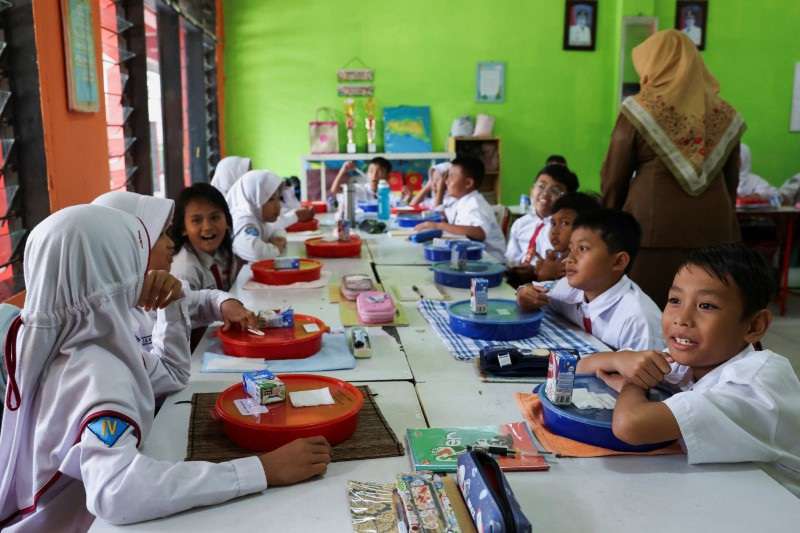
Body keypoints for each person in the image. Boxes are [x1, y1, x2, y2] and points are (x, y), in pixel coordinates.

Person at [0, 205, 332, 531]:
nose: (169, 243)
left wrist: (172, 304)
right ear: (114, 269)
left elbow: (171, 376)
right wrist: (262, 469)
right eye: (134, 252)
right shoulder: (95, 370)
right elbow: (117, 492)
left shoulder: (85, 343)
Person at [578, 244, 800, 496]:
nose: (681, 318)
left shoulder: (755, 382)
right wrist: (623, 360)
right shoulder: (695, 361)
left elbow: (630, 426)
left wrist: (634, 383)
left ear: (754, 325)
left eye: (706, 306)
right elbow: (582, 366)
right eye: (675, 300)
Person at [601, 29, 745, 309]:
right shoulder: (724, 114)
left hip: (652, 232)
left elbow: (614, 178)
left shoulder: (638, 110)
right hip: (716, 230)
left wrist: (609, 226)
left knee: (650, 310)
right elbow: (732, 181)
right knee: (708, 311)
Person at [92, 191, 256, 354]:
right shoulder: (103, 326)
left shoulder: (149, 288)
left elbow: (202, 301)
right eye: (160, 235)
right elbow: (166, 374)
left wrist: (224, 304)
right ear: (128, 245)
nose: (171, 243)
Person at [518, 209, 663, 352]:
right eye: (571, 248)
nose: (569, 259)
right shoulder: (570, 288)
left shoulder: (638, 320)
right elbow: (532, 290)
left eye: (582, 248)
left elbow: (652, 373)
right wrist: (525, 295)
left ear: (618, 261)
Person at [414, 156, 506, 261]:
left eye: (451, 177)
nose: (446, 182)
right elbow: (442, 215)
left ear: (468, 183)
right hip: (472, 258)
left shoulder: (475, 204)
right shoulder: (461, 201)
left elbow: (479, 232)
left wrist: (438, 226)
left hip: (490, 262)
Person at [506, 164, 579, 285]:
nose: (545, 194)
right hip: (517, 280)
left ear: (567, 198)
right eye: (541, 186)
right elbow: (510, 259)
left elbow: (560, 266)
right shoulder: (520, 223)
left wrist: (535, 270)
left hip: (547, 284)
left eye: (555, 190)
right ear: (531, 190)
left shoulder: (563, 230)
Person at [171, 183, 239, 291]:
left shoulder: (223, 253)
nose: (207, 227)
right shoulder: (184, 273)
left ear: (227, 221)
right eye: (197, 220)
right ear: (183, 229)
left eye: (215, 217)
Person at [535, 192, 601, 282]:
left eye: (565, 223)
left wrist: (544, 275)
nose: (555, 231)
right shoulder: (556, 259)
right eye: (553, 223)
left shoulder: (584, 263)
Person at [227, 170, 287, 263]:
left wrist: (278, 237)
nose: (278, 206)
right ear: (254, 199)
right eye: (270, 199)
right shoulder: (244, 221)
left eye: (278, 198)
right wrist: (276, 248)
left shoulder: (259, 218)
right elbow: (255, 252)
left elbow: (277, 227)